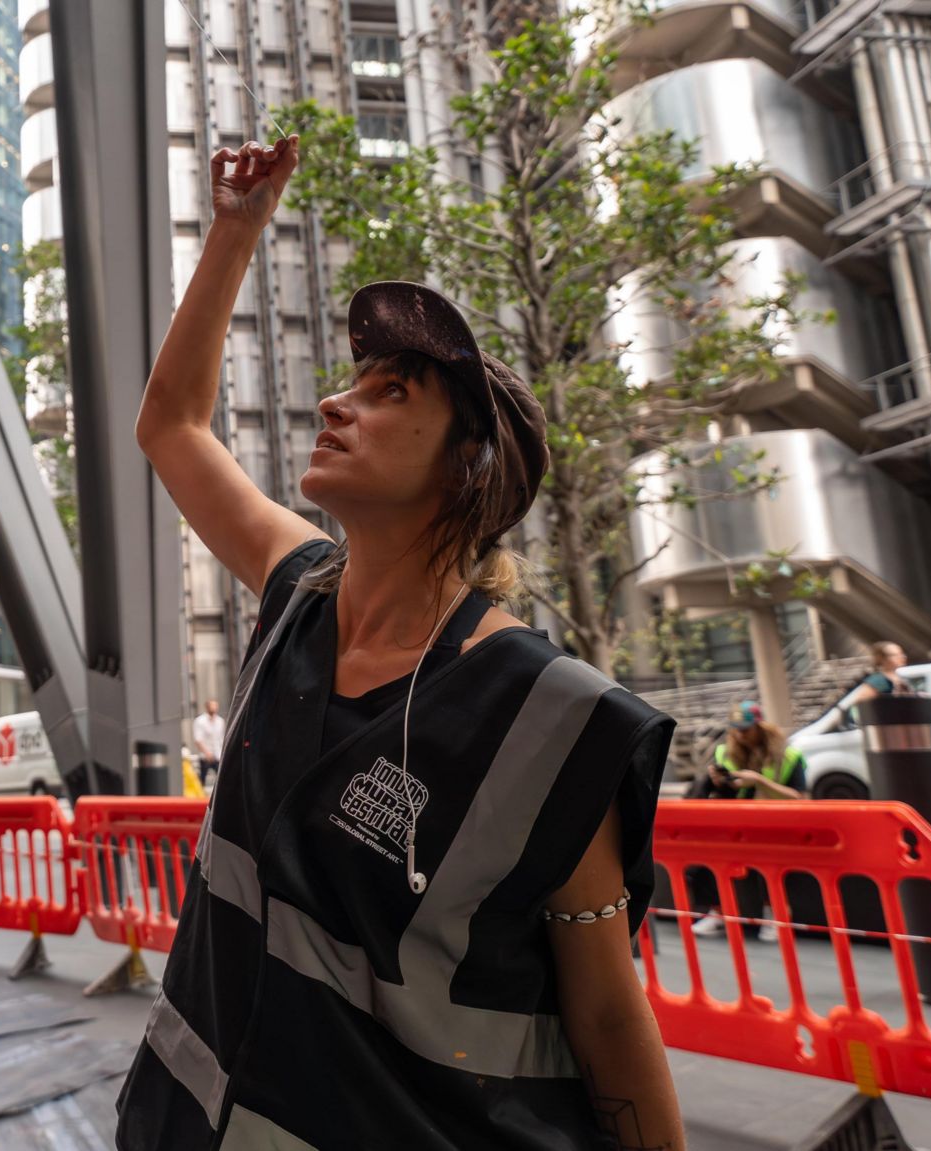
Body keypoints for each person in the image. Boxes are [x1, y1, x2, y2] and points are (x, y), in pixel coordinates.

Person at [119, 136, 682, 1151]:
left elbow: (604, 1016)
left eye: (391, 395)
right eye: (356, 381)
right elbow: (170, 424)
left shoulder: (549, 715)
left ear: (467, 469)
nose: (339, 402)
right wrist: (236, 231)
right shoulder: (298, 592)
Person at [688, 702, 804, 942]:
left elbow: (800, 797)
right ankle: (718, 912)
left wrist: (760, 781)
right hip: (736, 823)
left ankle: (775, 916)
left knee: (766, 856)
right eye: (736, 729)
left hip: (778, 824)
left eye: (746, 729)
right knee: (702, 856)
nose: (740, 734)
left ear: (761, 727)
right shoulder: (725, 752)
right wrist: (719, 781)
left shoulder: (789, 755)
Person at [849, 641, 912, 705]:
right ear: (882, 659)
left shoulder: (902, 676)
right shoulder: (879, 680)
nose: (902, 657)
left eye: (901, 653)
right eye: (894, 655)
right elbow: (857, 700)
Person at [190, 700, 226, 790]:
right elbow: (198, 739)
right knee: (202, 780)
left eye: (215, 705)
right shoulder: (200, 721)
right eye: (212, 705)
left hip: (218, 755)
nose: (214, 708)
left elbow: (221, 738)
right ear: (207, 707)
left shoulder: (220, 721)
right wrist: (207, 753)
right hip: (205, 756)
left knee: (222, 778)